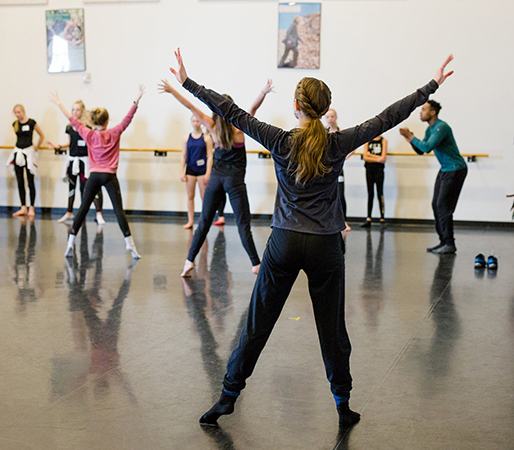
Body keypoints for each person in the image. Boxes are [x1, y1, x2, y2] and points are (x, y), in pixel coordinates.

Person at [169, 48, 454, 428]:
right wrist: (430, 86)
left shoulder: (280, 140)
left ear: (296, 106)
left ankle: (227, 397)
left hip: (284, 242)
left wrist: (187, 82)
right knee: (332, 328)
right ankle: (342, 402)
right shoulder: (337, 142)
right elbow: (388, 117)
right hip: (324, 245)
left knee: (257, 322)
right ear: (323, 109)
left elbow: (230, 111)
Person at [158, 78, 274, 277]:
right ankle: (255, 264)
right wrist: (263, 92)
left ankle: (188, 262)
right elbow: (253, 108)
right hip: (234, 181)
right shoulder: (239, 128)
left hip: (215, 179)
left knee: (204, 222)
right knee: (242, 223)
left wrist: (171, 91)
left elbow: (190, 106)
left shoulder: (212, 126)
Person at [50, 86, 145, 259]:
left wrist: (59, 104)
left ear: (94, 121)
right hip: (109, 176)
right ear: (107, 121)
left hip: (94, 175)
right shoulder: (114, 132)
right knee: (118, 210)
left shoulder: (88, 133)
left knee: (83, 209)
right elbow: (128, 118)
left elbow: (72, 119)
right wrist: (136, 100)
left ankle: (70, 243)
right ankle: (129, 244)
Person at [400, 100, 467, 254]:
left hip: (455, 169)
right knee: (436, 205)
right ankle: (444, 242)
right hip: (445, 169)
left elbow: (427, 146)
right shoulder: (430, 129)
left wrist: (411, 137)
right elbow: (421, 150)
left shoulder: (441, 127)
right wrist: (410, 140)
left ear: (433, 113)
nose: (421, 112)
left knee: (443, 207)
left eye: (424, 109)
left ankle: (449, 243)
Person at [48, 100, 105, 224]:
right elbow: (69, 143)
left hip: (84, 161)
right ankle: (69, 212)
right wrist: (58, 146)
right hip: (73, 160)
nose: (75, 112)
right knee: (72, 186)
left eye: (77, 109)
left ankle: (97, 213)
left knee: (87, 188)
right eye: (73, 109)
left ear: (82, 111)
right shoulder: (69, 127)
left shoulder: (88, 127)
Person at [7, 105, 44, 217]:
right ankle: (23, 206)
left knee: (30, 180)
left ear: (23, 112)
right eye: (15, 113)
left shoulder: (31, 123)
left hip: (28, 152)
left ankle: (31, 207)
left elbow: (41, 135)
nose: (17, 115)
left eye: (18, 112)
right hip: (18, 152)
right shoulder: (15, 124)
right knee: (20, 181)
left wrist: (37, 146)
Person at [181, 115, 214, 229]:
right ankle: (190, 220)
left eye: (198, 121)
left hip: (202, 171)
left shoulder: (206, 138)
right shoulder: (186, 138)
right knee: (190, 196)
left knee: (204, 197)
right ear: (191, 122)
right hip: (190, 170)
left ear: (201, 123)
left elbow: (210, 156)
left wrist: (208, 172)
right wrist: (182, 172)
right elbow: (183, 156)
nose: (195, 123)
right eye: (194, 121)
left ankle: (203, 221)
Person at [325, 108, 352, 234]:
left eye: (332, 116)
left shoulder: (341, 133)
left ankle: (343, 221)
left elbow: (352, 147)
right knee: (327, 195)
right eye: (328, 117)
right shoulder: (323, 133)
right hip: (327, 169)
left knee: (340, 195)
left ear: (336, 117)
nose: (330, 119)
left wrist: (343, 157)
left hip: (338, 169)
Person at [361, 135, 388, 228]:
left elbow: (383, 158)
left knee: (380, 193)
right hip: (369, 170)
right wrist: (377, 158)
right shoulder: (367, 140)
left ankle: (382, 218)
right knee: (370, 193)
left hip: (379, 170)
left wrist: (370, 155)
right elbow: (365, 156)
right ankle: (368, 218)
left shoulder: (383, 141)